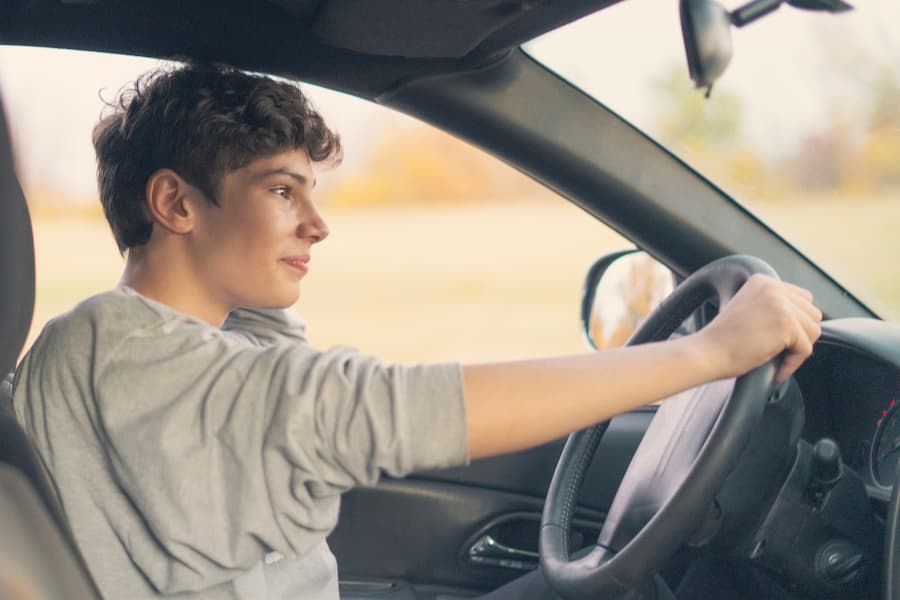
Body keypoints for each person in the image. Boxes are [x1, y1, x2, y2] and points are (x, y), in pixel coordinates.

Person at [11, 62, 822, 599]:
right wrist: (710, 352)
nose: (318, 224)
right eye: (284, 191)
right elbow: (386, 408)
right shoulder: (144, 363)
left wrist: (256, 249)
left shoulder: (156, 343)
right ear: (176, 204)